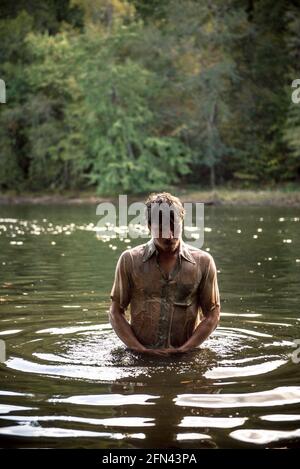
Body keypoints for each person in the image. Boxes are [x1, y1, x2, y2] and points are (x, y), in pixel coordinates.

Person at [109, 192, 220, 357]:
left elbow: (212, 315)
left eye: (174, 225)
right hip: (139, 357)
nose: (169, 235)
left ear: (182, 222)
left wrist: (184, 350)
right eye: (161, 228)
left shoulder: (203, 262)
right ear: (148, 227)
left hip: (186, 356)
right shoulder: (130, 260)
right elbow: (115, 312)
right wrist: (140, 349)